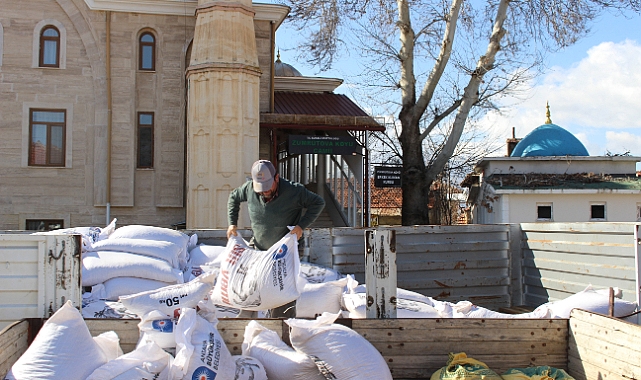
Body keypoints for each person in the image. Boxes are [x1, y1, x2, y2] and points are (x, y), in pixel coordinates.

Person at [227, 159, 325, 317]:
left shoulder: (294, 191)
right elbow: (234, 197)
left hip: (286, 250)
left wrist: (301, 226)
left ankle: (282, 328)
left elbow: (318, 203)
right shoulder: (249, 189)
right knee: (250, 287)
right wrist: (232, 223)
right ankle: (245, 327)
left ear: (276, 178)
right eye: (260, 188)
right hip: (259, 247)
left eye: (267, 186)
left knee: (281, 291)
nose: (264, 192)